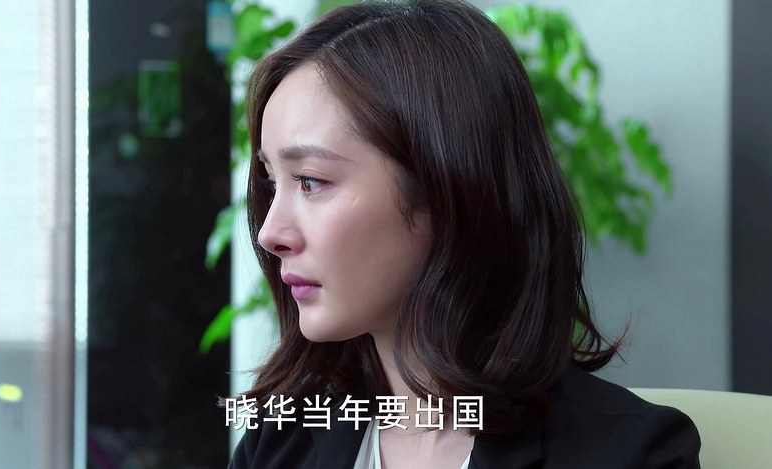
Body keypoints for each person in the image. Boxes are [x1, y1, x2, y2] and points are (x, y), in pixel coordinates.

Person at [228, 1, 701, 467]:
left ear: (448, 188)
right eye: (270, 182)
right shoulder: (277, 443)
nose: (269, 233)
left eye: (310, 181)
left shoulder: (633, 454)